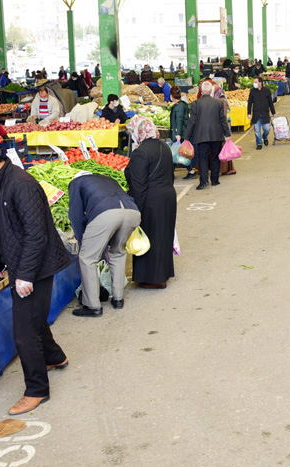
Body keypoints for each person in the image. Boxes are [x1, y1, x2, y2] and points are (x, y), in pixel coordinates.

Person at [0, 136, 71, 416]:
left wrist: (24, 275)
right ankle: (55, 357)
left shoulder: (21, 184)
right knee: (33, 319)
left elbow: (36, 235)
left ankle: (37, 389)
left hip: (36, 267)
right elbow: (3, 227)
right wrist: (0, 262)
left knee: (24, 332)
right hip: (21, 263)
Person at [67, 171, 138, 317]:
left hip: (106, 213)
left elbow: (76, 215)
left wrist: (83, 242)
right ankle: (118, 299)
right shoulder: (107, 179)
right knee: (118, 253)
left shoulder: (76, 183)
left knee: (87, 258)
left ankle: (92, 306)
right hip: (132, 212)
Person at [125, 123, 177, 288]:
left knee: (149, 237)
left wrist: (137, 209)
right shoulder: (165, 147)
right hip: (168, 196)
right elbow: (171, 174)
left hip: (151, 200)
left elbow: (138, 185)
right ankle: (163, 274)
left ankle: (153, 279)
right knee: (163, 236)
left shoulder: (140, 152)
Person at [184, 81, 231, 190]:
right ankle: (215, 180)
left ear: (201, 90)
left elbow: (192, 121)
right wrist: (227, 134)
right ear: (211, 91)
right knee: (215, 157)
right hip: (216, 135)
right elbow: (223, 120)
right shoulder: (218, 103)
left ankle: (204, 181)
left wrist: (187, 137)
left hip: (201, 135)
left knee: (203, 158)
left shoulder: (195, 104)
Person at [247, 76, 275, 150]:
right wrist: (249, 113)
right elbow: (249, 103)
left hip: (265, 114)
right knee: (257, 130)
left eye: (256, 82)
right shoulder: (252, 91)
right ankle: (259, 143)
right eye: (254, 82)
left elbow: (270, 103)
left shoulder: (267, 91)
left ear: (260, 83)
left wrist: (273, 112)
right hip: (256, 114)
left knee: (267, 129)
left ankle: (265, 137)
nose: (254, 83)